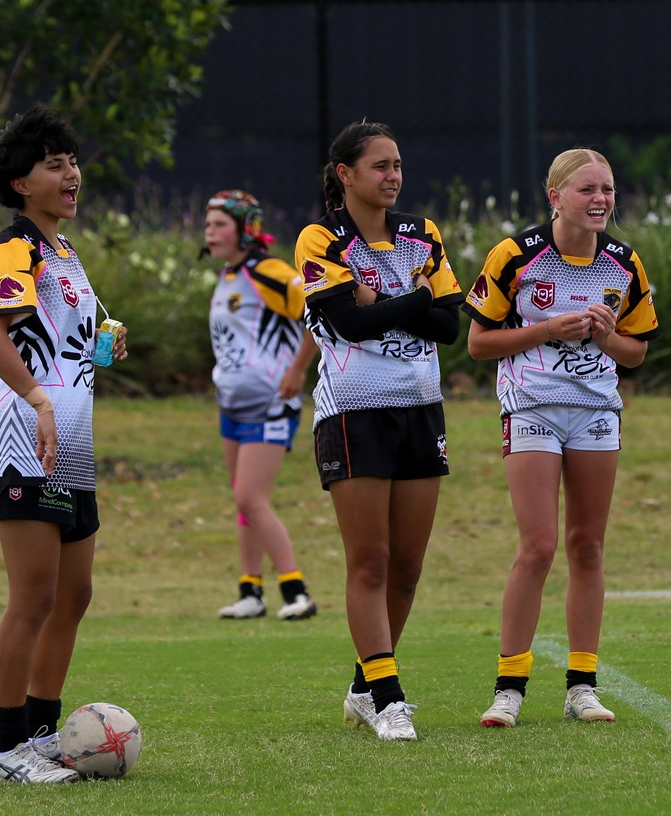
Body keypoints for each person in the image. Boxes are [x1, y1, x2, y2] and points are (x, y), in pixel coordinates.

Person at [461, 148, 659, 728]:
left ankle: (582, 686)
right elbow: (477, 343)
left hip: (596, 411)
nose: (600, 200)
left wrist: (604, 336)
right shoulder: (516, 255)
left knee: (587, 546)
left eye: (607, 189)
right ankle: (509, 687)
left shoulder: (623, 263)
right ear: (556, 197)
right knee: (539, 546)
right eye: (586, 189)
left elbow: (635, 352)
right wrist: (547, 328)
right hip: (532, 408)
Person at [294, 121, 464, 741]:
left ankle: (365, 688)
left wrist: (383, 303)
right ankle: (390, 699)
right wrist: (417, 299)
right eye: (380, 166)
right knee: (370, 562)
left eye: (397, 165)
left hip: (421, 407)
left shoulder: (423, 234)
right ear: (346, 174)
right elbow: (351, 325)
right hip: (353, 412)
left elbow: (451, 326)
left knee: (407, 568)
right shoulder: (321, 238)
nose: (393, 176)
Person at [0, 105, 128, 783]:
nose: (71, 175)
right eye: (53, 165)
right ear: (20, 184)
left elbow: (59, 343)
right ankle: (8, 749)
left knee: (73, 595)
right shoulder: (14, 250)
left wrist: (102, 344)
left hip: (70, 445)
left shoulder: (66, 254)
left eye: (73, 162)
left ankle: (40, 734)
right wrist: (37, 400)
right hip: (20, 438)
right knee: (33, 597)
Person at [204, 189, 320, 621]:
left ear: (245, 230)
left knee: (251, 497)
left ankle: (297, 592)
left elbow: (318, 313)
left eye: (219, 224)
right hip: (232, 407)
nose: (209, 232)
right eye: (207, 224)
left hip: (271, 403)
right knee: (243, 502)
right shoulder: (227, 276)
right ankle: (250, 591)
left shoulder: (269, 272)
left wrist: (297, 371)